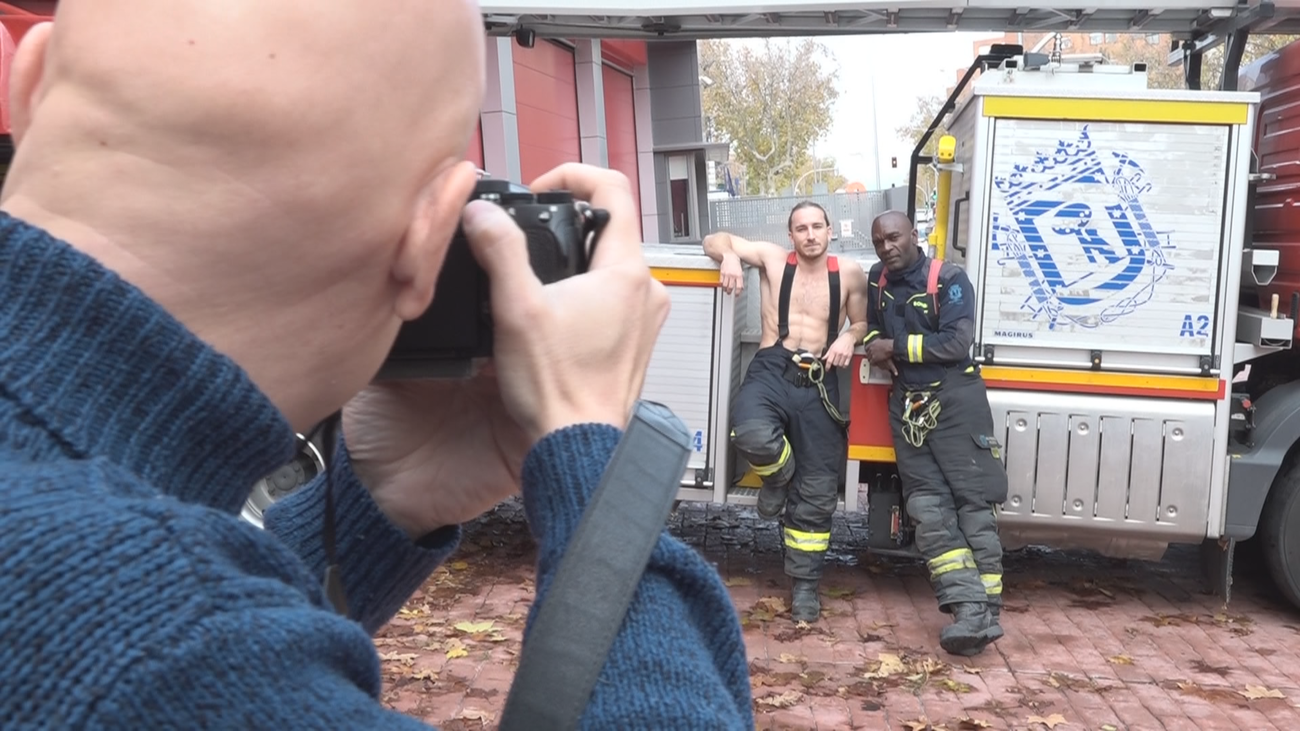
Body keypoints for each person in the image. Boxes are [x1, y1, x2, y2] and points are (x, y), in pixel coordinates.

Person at [0, 2, 753, 729]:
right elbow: (161, 642)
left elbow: (132, 607)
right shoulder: (165, 650)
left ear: (29, 89)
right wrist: (594, 462)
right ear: (431, 240)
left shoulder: (124, 604)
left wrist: (378, 505)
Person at [702, 202, 869, 623]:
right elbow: (713, 239)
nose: (810, 234)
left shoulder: (848, 273)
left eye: (817, 227)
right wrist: (729, 256)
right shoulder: (772, 259)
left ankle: (806, 586)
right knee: (750, 432)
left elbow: (864, 322)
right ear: (790, 235)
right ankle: (778, 476)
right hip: (772, 369)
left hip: (819, 380)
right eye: (801, 228)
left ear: (830, 231)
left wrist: (850, 336)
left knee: (817, 491)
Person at [863, 210, 1008, 657]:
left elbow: (955, 344)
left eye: (894, 238)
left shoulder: (951, 279)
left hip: (957, 400)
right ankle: (968, 611)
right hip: (909, 404)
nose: (886, 248)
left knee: (972, 505)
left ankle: (988, 610)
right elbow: (873, 327)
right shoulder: (877, 279)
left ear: (914, 236)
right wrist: (873, 343)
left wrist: (896, 347)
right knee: (927, 508)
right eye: (878, 242)